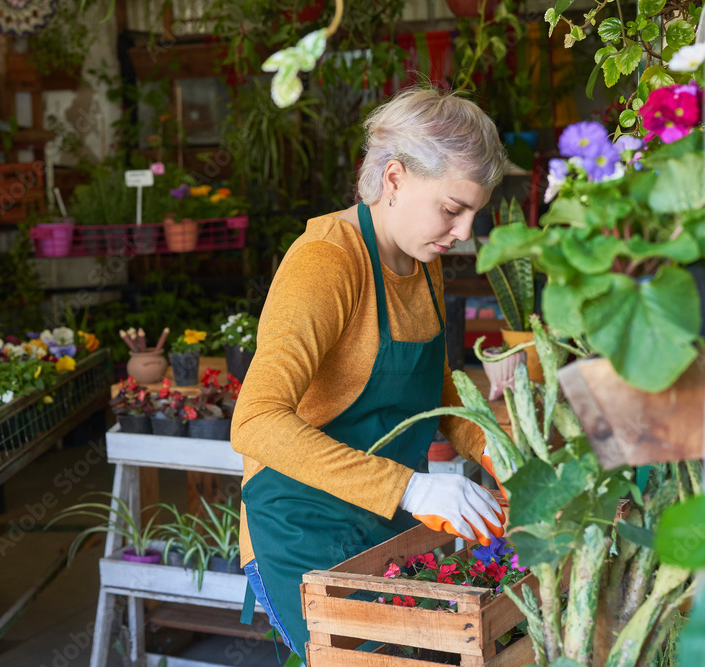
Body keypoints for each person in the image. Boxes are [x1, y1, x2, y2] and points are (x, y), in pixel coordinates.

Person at [230, 86, 509, 660]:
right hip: (300, 528)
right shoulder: (326, 262)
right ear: (395, 179)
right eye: (452, 209)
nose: (464, 233)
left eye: (473, 214)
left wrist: (497, 451)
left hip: (383, 525)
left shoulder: (420, 257)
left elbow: (436, 384)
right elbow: (254, 421)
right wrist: (412, 487)